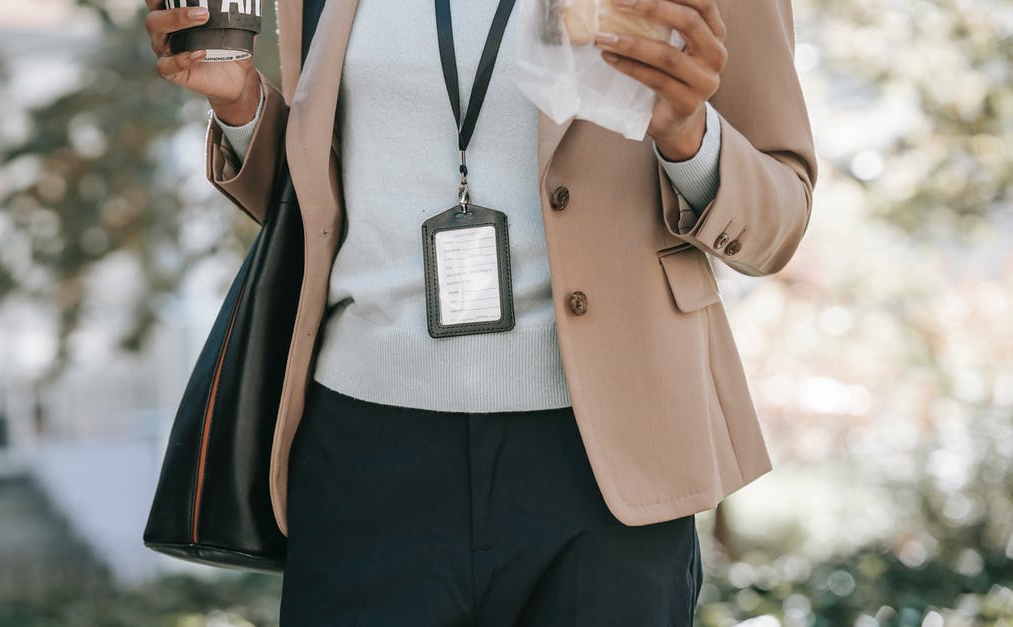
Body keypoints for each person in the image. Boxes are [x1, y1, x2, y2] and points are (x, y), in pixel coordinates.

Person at [145, 0, 817, 623]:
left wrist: (690, 136)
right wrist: (241, 107)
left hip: (608, 465)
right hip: (359, 456)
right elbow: (325, 209)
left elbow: (778, 217)